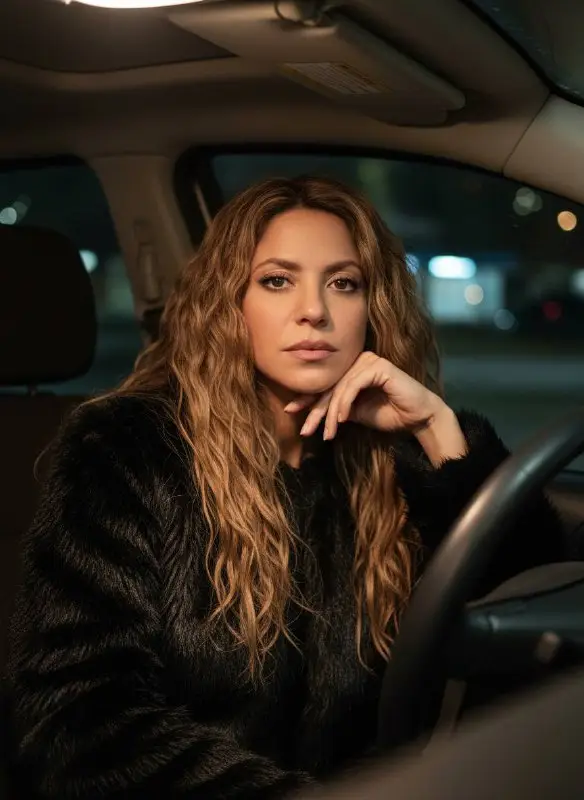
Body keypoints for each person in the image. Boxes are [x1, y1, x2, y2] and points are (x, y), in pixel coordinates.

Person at [6, 175, 563, 799]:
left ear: (372, 309)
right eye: (277, 280)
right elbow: (76, 719)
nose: (315, 310)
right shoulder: (127, 450)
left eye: (343, 283)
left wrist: (437, 430)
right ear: (230, 303)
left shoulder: (381, 463)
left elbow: (534, 612)